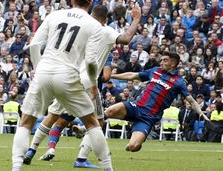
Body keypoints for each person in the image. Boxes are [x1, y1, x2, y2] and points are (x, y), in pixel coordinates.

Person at [23, 4, 141, 168]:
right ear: (105, 19)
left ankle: (31, 150)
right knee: (97, 123)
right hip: (87, 82)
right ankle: (81, 159)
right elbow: (126, 39)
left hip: (68, 78)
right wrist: (136, 19)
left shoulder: (82, 27)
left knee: (53, 116)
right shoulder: (104, 31)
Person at [11, 0, 115, 170]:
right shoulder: (94, 25)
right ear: (90, 3)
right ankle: (107, 167)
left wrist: (38, 68)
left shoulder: (54, 15)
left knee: (26, 122)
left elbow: (34, 45)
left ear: (72, 0)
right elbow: (90, 61)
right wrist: (93, 84)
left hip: (44, 71)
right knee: (92, 122)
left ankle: (16, 167)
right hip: (68, 75)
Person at [105, 52, 209, 152]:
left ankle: (137, 140)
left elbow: (191, 100)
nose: (161, 62)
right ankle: (92, 126)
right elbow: (132, 75)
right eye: (161, 60)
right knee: (109, 111)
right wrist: (111, 76)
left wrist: (200, 112)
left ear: (173, 63)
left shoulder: (179, 82)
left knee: (133, 146)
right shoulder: (155, 71)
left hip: (148, 118)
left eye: (165, 60)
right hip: (136, 107)